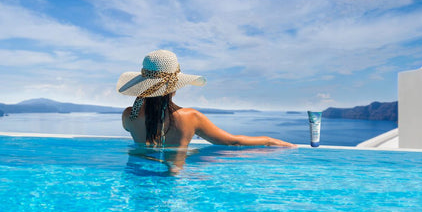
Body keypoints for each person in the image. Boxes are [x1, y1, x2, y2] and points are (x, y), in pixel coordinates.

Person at [117, 49, 297, 149]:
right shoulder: (190, 118)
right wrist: (269, 140)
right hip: (171, 186)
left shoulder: (128, 116)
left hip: (137, 182)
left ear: (143, 84)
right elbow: (232, 141)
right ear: (174, 87)